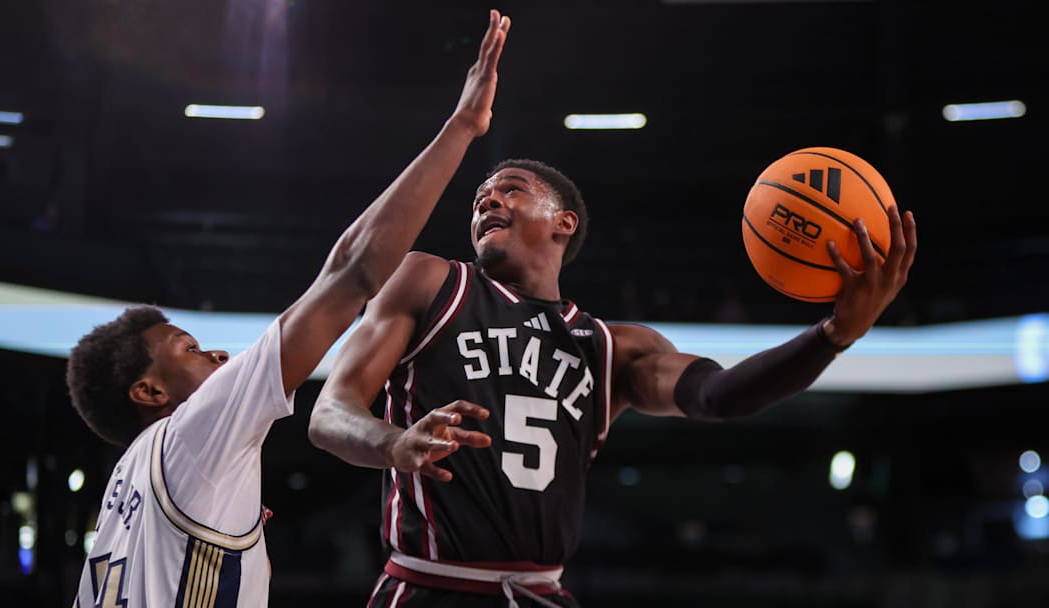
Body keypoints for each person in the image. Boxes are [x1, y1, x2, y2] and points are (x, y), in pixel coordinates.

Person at [307, 156, 917, 605]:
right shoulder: (433, 282)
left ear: (564, 222)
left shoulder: (613, 348)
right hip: (429, 588)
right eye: (479, 198)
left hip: (542, 594)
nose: (486, 200)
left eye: (510, 189)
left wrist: (834, 334)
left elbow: (721, 396)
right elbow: (329, 413)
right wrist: (393, 442)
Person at [65, 10, 511, 607]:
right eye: (190, 350)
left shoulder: (123, 490)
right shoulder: (190, 434)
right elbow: (352, 271)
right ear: (149, 392)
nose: (218, 355)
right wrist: (461, 127)